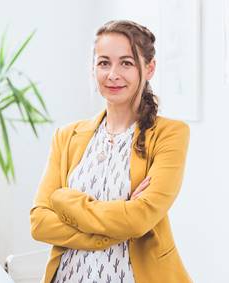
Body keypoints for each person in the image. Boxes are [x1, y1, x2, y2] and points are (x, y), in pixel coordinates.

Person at [30, 20, 191, 283]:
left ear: (149, 68)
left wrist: (64, 201)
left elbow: (140, 220)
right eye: (104, 63)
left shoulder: (170, 134)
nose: (112, 74)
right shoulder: (66, 136)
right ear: (93, 68)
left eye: (126, 63)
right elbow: (39, 223)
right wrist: (120, 220)